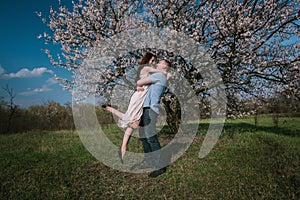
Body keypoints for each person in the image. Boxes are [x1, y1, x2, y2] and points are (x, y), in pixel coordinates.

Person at [105, 52, 167, 163]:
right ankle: (127, 149)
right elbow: (141, 81)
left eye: (157, 62)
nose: (155, 63)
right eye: (153, 61)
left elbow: (141, 80)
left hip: (144, 101)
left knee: (135, 124)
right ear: (147, 60)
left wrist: (164, 72)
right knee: (134, 122)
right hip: (141, 98)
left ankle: (123, 148)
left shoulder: (155, 74)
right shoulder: (149, 69)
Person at [136, 59, 170, 178]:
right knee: (144, 138)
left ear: (165, 66)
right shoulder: (159, 75)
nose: (157, 64)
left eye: (160, 63)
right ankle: (149, 161)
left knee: (150, 137)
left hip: (150, 110)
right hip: (144, 109)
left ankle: (160, 166)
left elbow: (140, 81)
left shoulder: (159, 75)